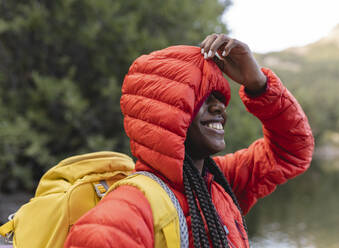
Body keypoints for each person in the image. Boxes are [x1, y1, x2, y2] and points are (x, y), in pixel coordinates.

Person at [64, 34, 314, 247]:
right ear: (163, 114)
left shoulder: (216, 182)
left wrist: (259, 85)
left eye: (219, 96)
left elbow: (291, 152)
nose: (219, 107)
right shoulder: (123, 215)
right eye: (203, 96)